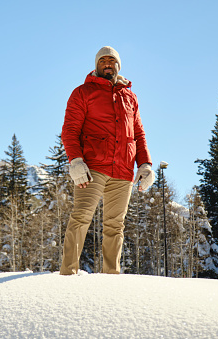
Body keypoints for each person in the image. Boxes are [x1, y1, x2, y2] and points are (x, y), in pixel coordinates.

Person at [60, 46, 155, 275]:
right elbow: (70, 130)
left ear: (118, 66)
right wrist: (75, 161)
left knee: (115, 226)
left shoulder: (130, 97)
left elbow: (138, 134)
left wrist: (145, 164)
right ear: (96, 65)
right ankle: (67, 273)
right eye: (102, 61)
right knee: (81, 217)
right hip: (92, 168)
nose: (107, 64)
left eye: (111, 61)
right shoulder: (82, 92)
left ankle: (111, 278)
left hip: (123, 170)